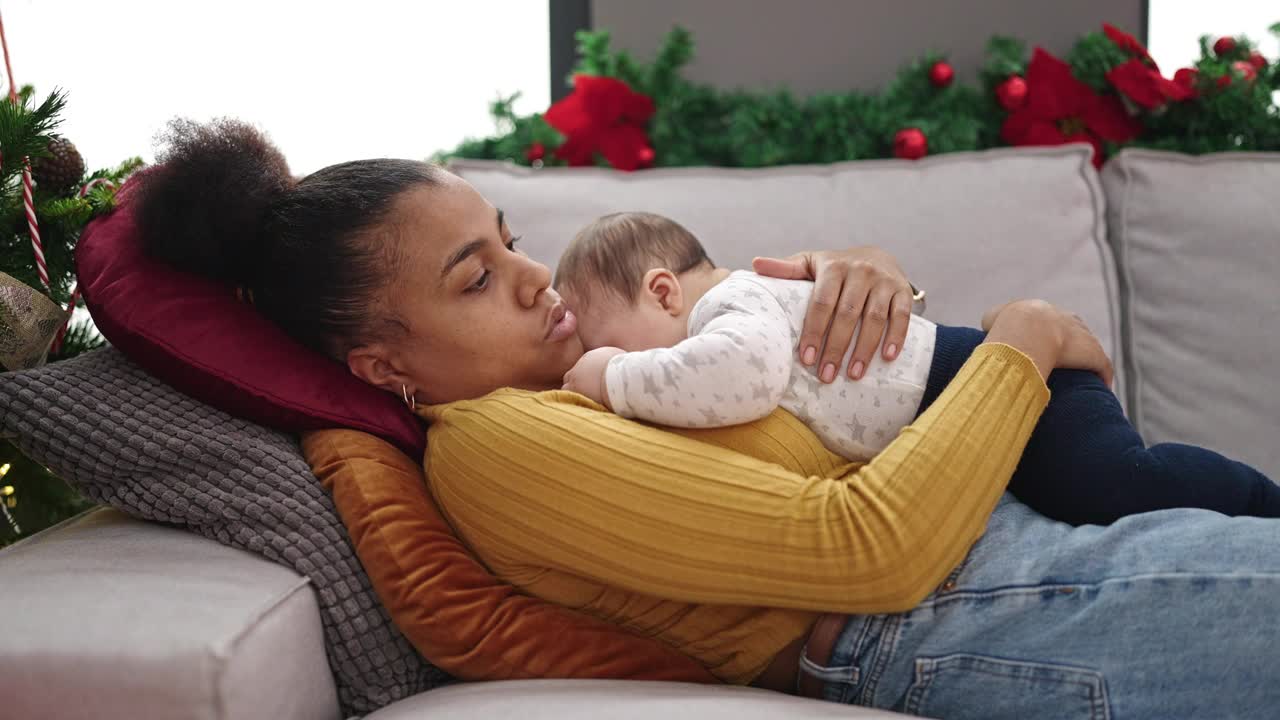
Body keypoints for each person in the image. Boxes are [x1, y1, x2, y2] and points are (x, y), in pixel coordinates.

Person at [135, 118, 1280, 718]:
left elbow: (795, 353)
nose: (536, 281)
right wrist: (1024, 337)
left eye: (509, 239)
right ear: (384, 367)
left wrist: (861, 282)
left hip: (1015, 543)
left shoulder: (605, 366)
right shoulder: (497, 445)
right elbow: (865, 552)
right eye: (473, 279)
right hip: (954, 610)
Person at [555, 211, 1280, 526]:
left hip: (1011, 384)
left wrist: (614, 378)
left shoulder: (733, 306)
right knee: (1078, 505)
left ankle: (1259, 502)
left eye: (607, 338)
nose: (601, 355)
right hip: (973, 407)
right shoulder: (733, 307)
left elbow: (739, 376)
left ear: (662, 291)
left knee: (1117, 486)